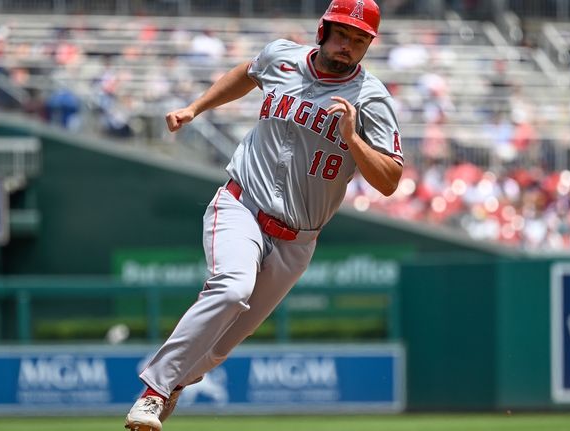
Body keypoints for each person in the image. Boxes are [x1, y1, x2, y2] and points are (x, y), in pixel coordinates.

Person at [123, 1, 404, 430]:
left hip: (298, 239)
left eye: (360, 40)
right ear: (324, 30)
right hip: (242, 205)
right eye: (343, 34)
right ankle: (153, 392)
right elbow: (247, 73)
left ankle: (175, 384)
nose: (349, 46)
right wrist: (196, 107)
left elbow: (389, 180)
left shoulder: (371, 100)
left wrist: (352, 139)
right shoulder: (282, 56)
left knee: (221, 347)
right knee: (233, 289)